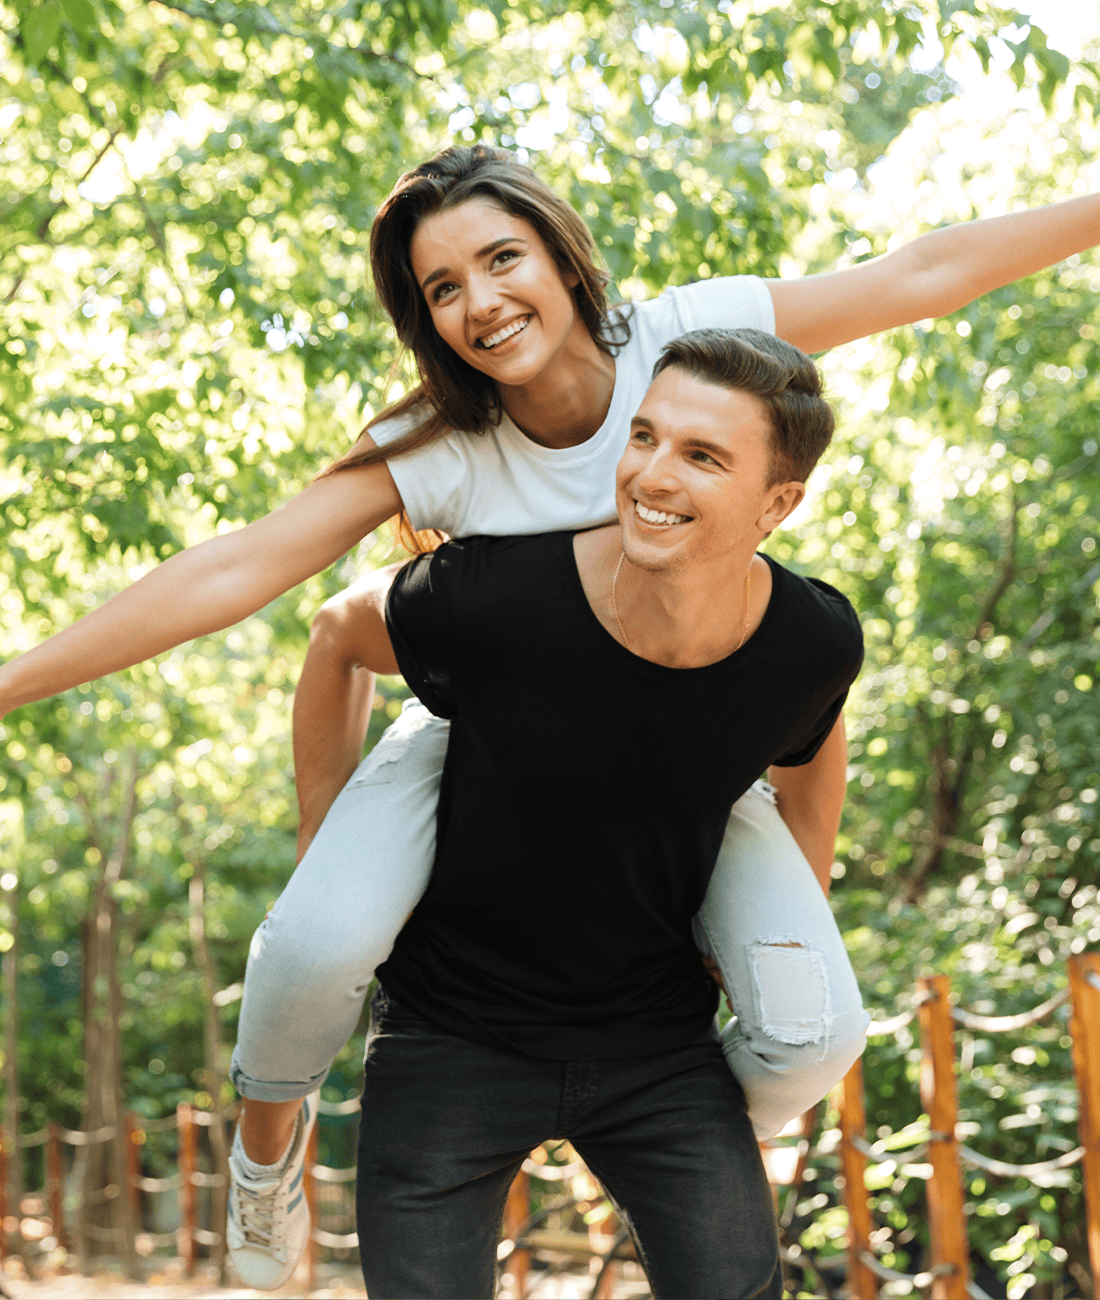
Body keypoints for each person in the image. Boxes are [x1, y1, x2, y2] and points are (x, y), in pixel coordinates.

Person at [0, 144, 1096, 1287]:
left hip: (679, 738)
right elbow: (238, 571)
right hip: (486, 734)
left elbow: (928, 270)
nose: (479, 302)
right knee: (316, 941)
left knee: (818, 1024)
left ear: (565, 261)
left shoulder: (680, 345)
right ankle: (265, 1157)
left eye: (499, 258)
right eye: (440, 289)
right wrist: (16, 683)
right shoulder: (439, 443)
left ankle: (692, 1146)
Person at [347, 327, 862, 1298]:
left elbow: (811, 736)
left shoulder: (809, 636)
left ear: (776, 504)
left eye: (701, 456)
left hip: (657, 1047)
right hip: (451, 1034)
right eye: (643, 437)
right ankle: (263, 1145)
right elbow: (337, 634)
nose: (649, 475)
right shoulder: (497, 594)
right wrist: (323, 842)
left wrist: (789, 922)